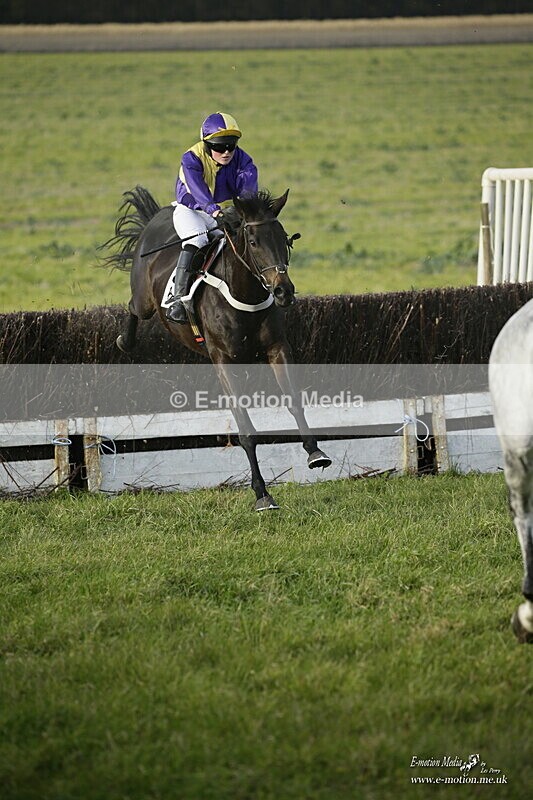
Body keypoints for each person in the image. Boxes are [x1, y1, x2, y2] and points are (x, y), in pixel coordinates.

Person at [166, 112, 259, 323]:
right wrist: (214, 211)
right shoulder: (191, 158)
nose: (226, 152)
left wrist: (241, 211)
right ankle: (178, 298)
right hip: (192, 211)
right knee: (198, 241)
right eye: (219, 147)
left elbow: (248, 191)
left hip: (223, 212)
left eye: (231, 145)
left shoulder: (244, 160)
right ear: (207, 144)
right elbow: (198, 191)